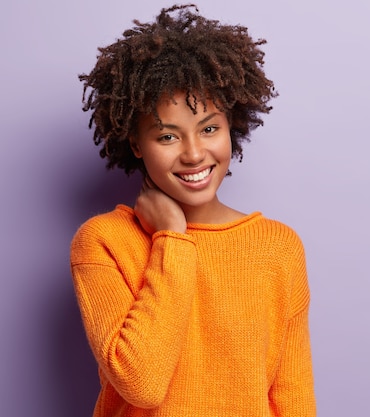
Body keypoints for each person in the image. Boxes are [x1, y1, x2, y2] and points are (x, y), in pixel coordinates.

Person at [69, 4, 316, 416]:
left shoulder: (278, 247)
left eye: (210, 129)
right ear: (135, 144)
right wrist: (172, 237)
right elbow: (142, 383)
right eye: (167, 136)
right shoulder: (103, 242)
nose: (194, 153)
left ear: (231, 128)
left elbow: (292, 398)